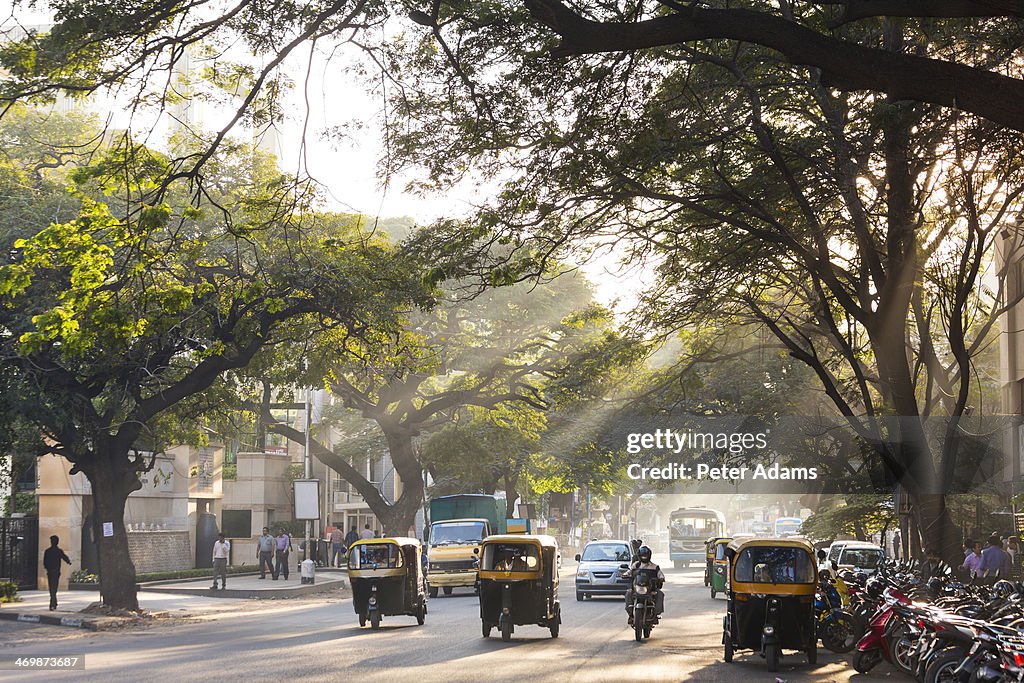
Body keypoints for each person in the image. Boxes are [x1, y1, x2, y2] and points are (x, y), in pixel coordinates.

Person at [623, 545, 665, 625]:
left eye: (646, 556)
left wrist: (661, 578)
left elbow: (660, 574)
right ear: (639, 556)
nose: (644, 557)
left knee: (660, 594)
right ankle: (631, 615)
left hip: (650, 589)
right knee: (628, 593)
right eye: (643, 556)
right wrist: (625, 574)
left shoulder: (654, 566)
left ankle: (655, 614)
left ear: (649, 556)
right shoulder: (636, 565)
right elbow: (630, 571)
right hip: (637, 588)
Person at [43, 535, 72, 611]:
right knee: (54, 587)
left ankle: (53, 602)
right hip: (55, 572)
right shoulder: (58, 551)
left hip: (51, 572)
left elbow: (45, 562)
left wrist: (47, 568)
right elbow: (64, 557)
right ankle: (53, 602)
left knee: (52, 588)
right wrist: (68, 562)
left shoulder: (48, 551)